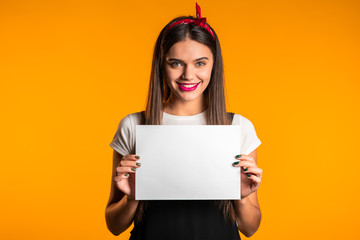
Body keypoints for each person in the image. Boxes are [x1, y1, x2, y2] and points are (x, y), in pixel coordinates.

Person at [105, 2, 263, 239]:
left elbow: (250, 228)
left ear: (213, 65)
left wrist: (240, 196)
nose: (188, 75)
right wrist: (132, 196)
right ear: (162, 64)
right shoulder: (133, 125)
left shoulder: (238, 127)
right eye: (176, 63)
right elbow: (114, 225)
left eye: (200, 63)